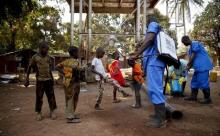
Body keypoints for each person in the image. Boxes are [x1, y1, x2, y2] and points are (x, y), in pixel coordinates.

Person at [131, 16, 167, 128]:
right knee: (154, 89)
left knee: (155, 89)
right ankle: (158, 115)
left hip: (155, 62)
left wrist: (137, 54)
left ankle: (161, 120)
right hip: (154, 63)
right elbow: (148, 41)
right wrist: (140, 47)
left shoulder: (153, 25)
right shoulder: (156, 31)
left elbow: (150, 39)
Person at [24, 41, 57, 121]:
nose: (47, 51)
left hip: (48, 80)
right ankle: (39, 112)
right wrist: (27, 79)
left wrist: (52, 79)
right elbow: (29, 67)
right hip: (40, 80)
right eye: (46, 49)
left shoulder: (48, 57)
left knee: (51, 96)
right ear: (41, 48)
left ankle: (52, 111)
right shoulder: (35, 57)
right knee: (39, 97)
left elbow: (49, 70)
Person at [181, 36, 213, 104]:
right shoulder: (190, 48)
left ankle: (207, 98)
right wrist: (188, 67)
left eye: (184, 42)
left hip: (203, 66)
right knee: (194, 82)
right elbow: (192, 60)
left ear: (187, 39)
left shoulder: (195, 43)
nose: (184, 44)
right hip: (198, 68)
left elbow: (193, 56)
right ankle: (193, 96)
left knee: (203, 82)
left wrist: (188, 66)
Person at [56, 46, 81, 123]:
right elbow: (76, 72)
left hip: (67, 82)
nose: (78, 54)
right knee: (71, 99)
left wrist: (64, 74)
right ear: (74, 53)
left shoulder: (66, 61)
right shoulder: (75, 62)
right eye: (77, 52)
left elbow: (57, 67)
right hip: (72, 83)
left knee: (70, 98)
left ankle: (72, 114)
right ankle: (70, 118)